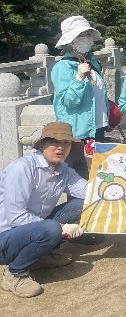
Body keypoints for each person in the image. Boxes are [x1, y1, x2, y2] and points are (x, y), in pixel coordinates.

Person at [0, 122, 86, 298]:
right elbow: (16, 217)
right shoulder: (22, 168)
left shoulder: (63, 169)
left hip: (35, 228)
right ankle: (15, 273)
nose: (61, 147)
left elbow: (89, 192)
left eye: (66, 143)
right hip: (6, 236)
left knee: (84, 205)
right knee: (51, 228)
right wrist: (61, 228)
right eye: (54, 142)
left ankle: (42, 255)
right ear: (42, 144)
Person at [51, 15, 107, 179]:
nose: (86, 38)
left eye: (88, 34)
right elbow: (68, 101)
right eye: (80, 35)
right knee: (79, 180)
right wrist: (78, 78)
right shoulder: (63, 67)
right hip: (77, 134)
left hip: (97, 128)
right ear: (70, 41)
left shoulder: (93, 63)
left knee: (97, 177)